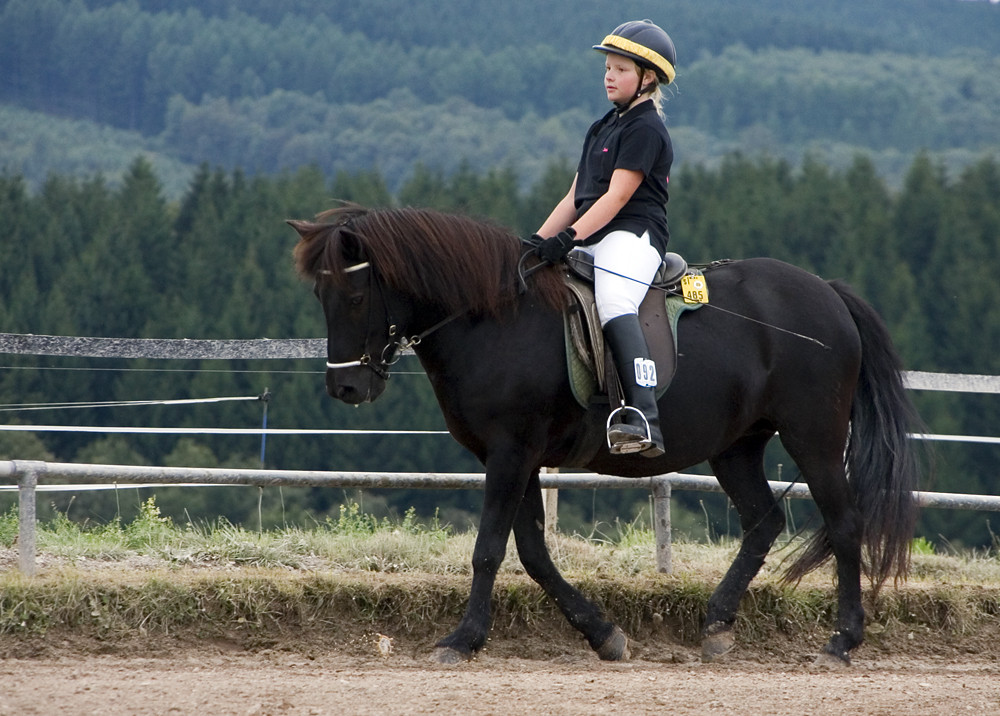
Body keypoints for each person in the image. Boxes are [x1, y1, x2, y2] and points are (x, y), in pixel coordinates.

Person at [533, 19, 676, 458]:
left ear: (646, 78)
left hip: (633, 236)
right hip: (593, 232)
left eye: (620, 69)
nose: (609, 76)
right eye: (607, 68)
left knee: (614, 299)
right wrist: (535, 243)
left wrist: (571, 237)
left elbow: (616, 198)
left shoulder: (645, 128)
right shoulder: (603, 126)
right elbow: (576, 195)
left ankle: (643, 417)